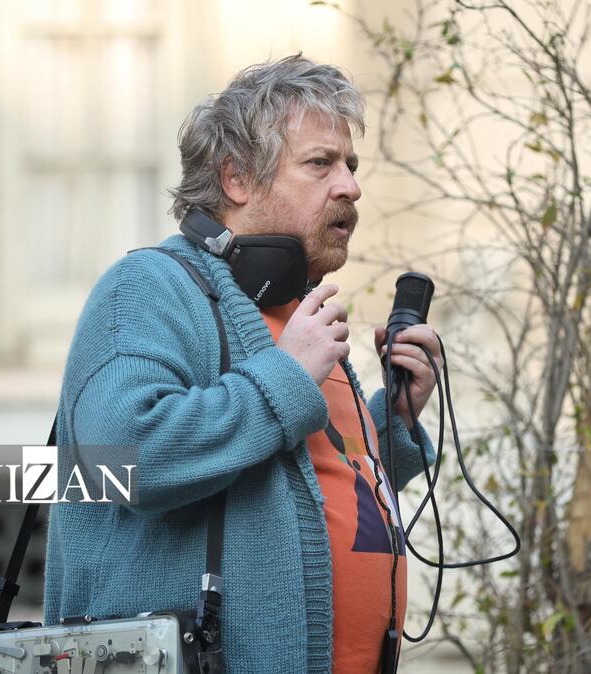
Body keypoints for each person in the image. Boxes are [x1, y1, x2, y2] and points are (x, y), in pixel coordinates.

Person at [43, 55, 440, 673]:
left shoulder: (298, 318)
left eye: (352, 165)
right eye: (321, 163)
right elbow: (121, 460)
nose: (350, 186)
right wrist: (286, 377)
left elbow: (309, 486)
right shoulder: (147, 288)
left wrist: (397, 418)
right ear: (236, 178)